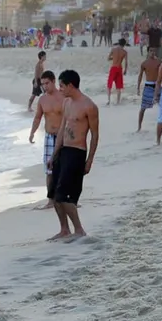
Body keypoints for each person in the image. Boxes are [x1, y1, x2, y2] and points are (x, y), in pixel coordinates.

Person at [46, 69, 98, 242]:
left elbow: (95, 135)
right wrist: (54, 155)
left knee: (65, 195)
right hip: (63, 151)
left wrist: (89, 160)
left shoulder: (89, 106)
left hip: (77, 152)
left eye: (62, 86)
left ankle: (79, 229)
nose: (60, 89)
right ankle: (64, 229)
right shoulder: (67, 103)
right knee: (54, 194)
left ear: (70, 85)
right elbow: (62, 129)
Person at [28, 70, 64, 209]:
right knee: (49, 170)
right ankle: (51, 200)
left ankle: (68, 199)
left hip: (63, 136)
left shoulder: (63, 96)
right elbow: (38, 117)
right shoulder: (42, 99)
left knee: (65, 169)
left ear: (53, 81)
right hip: (49, 137)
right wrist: (32, 133)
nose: (44, 87)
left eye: (47, 83)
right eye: (42, 84)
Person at [135, 47, 162, 132]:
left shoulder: (159, 62)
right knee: (143, 108)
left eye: (154, 51)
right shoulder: (144, 63)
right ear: (148, 52)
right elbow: (140, 76)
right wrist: (138, 88)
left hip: (157, 86)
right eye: (151, 51)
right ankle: (139, 126)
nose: (152, 52)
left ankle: (161, 125)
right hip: (148, 86)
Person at [105, 38, 128, 105]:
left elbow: (108, 58)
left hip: (113, 68)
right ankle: (118, 101)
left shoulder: (113, 49)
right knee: (118, 86)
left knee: (109, 84)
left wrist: (113, 58)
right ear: (124, 44)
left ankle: (108, 100)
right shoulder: (124, 52)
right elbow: (126, 63)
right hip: (119, 68)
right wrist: (125, 70)